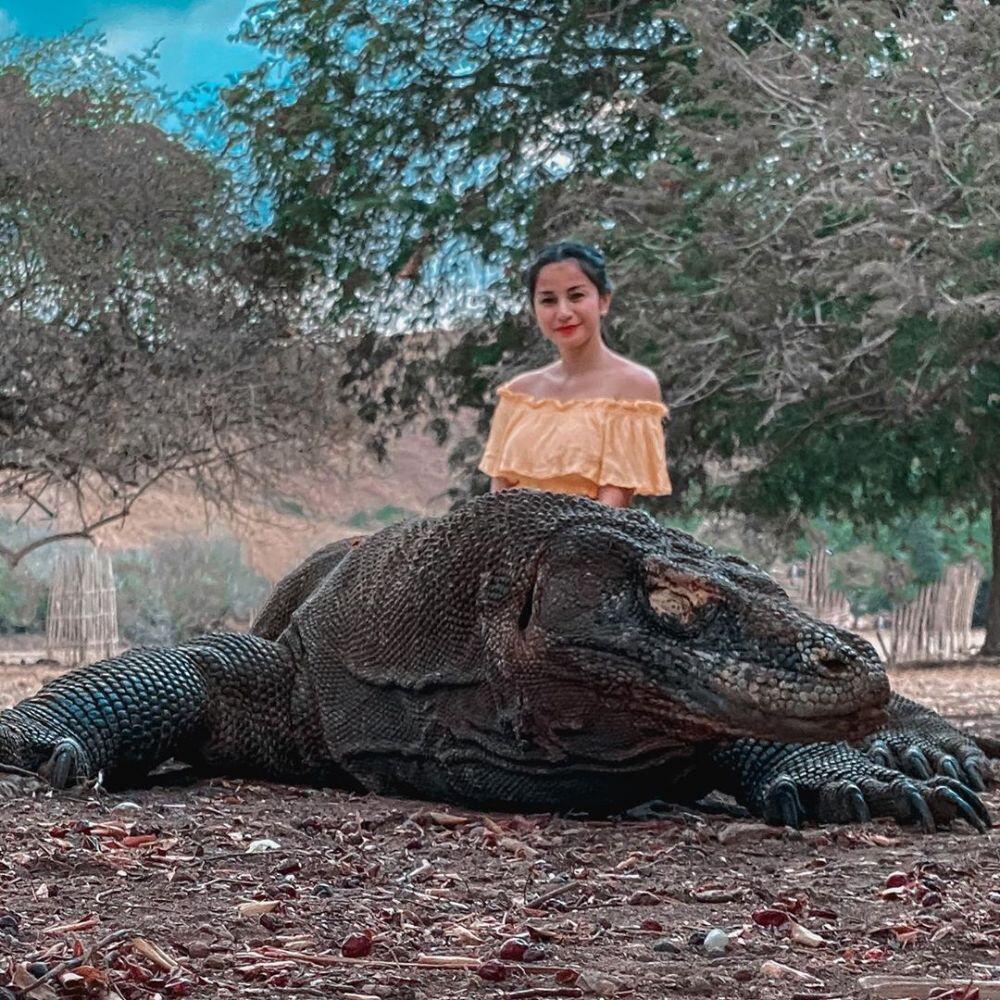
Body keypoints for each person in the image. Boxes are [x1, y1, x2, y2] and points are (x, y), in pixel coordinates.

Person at [478, 241, 671, 508]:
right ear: (534, 309)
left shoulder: (634, 387)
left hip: (593, 543)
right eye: (548, 300)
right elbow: (496, 499)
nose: (563, 312)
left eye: (576, 296)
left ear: (603, 300)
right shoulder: (518, 394)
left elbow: (614, 502)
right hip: (511, 544)